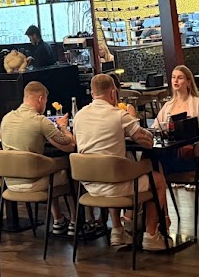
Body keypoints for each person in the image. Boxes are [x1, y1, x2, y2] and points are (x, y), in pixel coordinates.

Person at [71, 73, 169, 252]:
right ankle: (151, 235)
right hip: (115, 185)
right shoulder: (119, 115)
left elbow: (77, 142)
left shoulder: (79, 116)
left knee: (114, 170)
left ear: (92, 94)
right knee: (158, 180)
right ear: (113, 93)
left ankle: (117, 230)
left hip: (89, 185)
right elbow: (147, 142)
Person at [0, 81, 76, 234]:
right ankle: (75, 222)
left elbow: (3, 139)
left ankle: (58, 220)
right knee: (73, 172)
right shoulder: (40, 121)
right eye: (45, 101)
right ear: (41, 99)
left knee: (48, 169)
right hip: (32, 183)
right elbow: (69, 145)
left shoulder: (6, 118)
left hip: (9, 182)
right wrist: (63, 126)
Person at [155, 65, 199, 182]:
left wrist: (195, 143)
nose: (176, 81)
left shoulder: (198, 103)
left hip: (189, 152)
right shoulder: (167, 106)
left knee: (159, 160)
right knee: (152, 155)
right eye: (173, 77)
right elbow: (155, 127)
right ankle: (157, 184)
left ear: (188, 82)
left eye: (180, 78)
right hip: (171, 150)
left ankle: (157, 182)